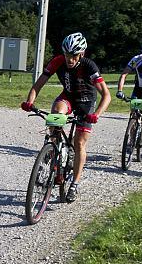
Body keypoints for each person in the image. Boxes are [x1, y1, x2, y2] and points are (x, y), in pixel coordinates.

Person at [20, 32, 111, 203]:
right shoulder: (58, 61)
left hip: (86, 102)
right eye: (67, 55)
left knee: (79, 142)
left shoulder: (89, 66)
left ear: (81, 54)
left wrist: (96, 115)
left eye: (74, 56)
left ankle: (75, 183)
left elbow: (106, 95)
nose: (70, 59)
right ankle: (52, 151)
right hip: (68, 97)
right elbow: (38, 85)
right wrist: (30, 102)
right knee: (56, 113)